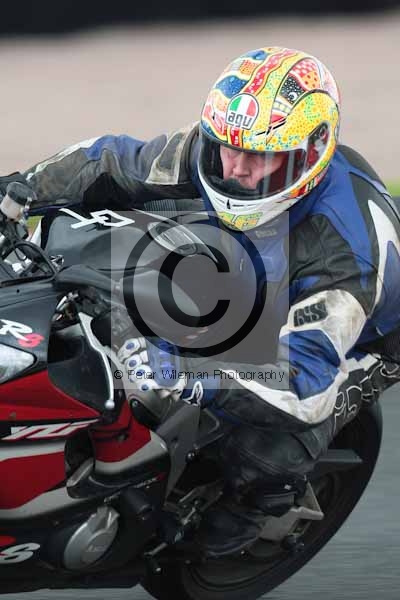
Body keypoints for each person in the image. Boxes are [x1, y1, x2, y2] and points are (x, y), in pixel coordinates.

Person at [2, 46, 400, 558]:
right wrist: (18, 191)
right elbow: (110, 161)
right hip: (264, 250)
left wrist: (188, 374)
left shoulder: (346, 257)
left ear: (308, 156)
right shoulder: (219, 154)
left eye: (259, 157)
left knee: (269, 448)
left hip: (355, 339)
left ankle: (253, 511)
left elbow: (304, 386)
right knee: (126, 233)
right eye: (227, 149)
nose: (236, 169)